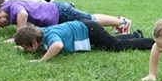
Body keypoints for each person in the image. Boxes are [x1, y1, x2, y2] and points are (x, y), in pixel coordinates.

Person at [14, 20, 154, 61]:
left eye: (26, 47)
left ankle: (152, 42)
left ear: (34, 43)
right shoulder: (41, 32)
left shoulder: (50, 36)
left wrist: (42, 60)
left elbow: (58, 45)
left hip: (90, 30)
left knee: (116, 46)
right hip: (86, 27)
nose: (27, 50)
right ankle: (135, 35)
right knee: (110, 41)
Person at [0, 0, 132, 38]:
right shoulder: (9, 7)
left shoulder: (11, 6)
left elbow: (23, 14)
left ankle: (122, 22)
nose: (1, 27)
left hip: (59, 11)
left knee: (90, 19)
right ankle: (119, 22)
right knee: (88, 21)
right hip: (57, 14)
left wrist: (19, 36)